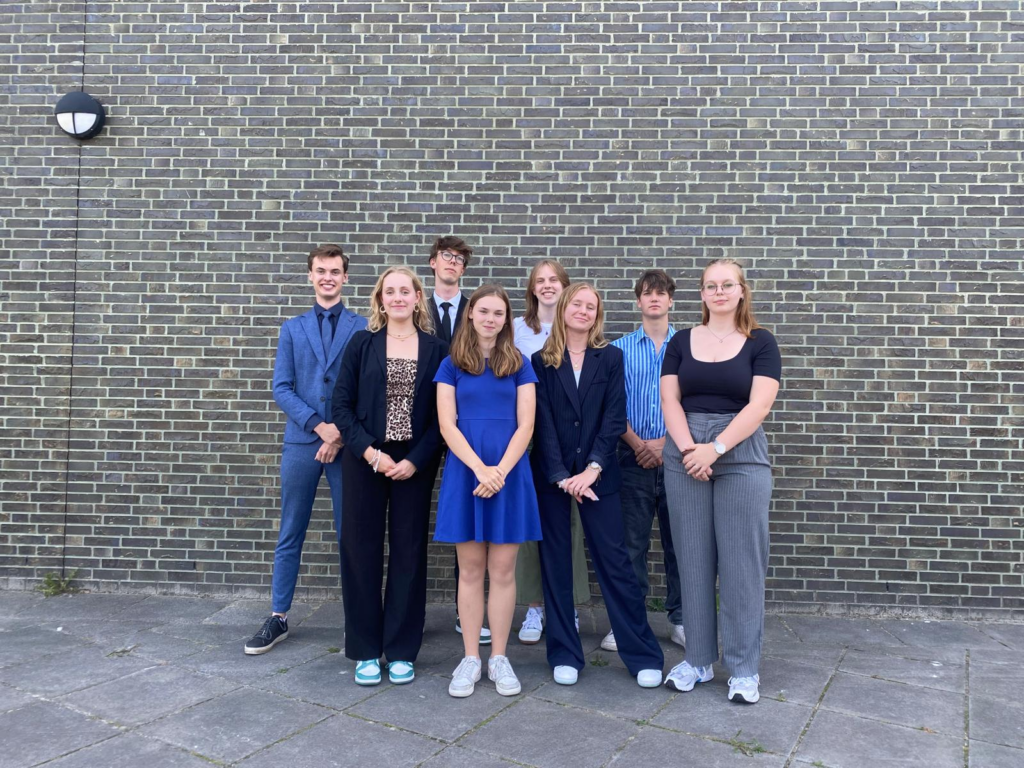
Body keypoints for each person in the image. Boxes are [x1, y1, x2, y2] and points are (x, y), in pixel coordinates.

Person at [531, 283, 665, 688]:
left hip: (599, 476)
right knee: (555, 564)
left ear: (597, 315)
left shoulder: (610, 358)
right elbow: (542, 423)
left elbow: (614, 418)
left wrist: (592, 468)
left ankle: (641, 653)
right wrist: (560, 476)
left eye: (591, 306)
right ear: (563, 308)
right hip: (553, 478)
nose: (583, 311)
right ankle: (564, 653)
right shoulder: (540, 361)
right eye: (577, 304)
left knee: (616, 562)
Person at [660, 258, 781, 705]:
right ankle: (697, 660)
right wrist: (690, 449)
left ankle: (744, 669)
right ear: (702, 293)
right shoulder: (680, 341)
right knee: (692, 561)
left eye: (727, 284)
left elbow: (759, 405)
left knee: (741, 565)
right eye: (710, 285)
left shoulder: (761, 342)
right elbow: (669, 399)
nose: (719, 292)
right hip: (685, 451)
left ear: (741, 290)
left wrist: (716, 448)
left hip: (740, 452)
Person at [245, 245, 367, 655]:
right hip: (301, 443)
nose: (328, 277)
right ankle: (278, 616)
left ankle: (357, 620)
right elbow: (282, 387)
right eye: (321, 270)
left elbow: (366, 389)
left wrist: (339, 435)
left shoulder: (363, 327)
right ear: (310, 276)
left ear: (345, 277)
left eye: (335, 271)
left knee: (351, 534)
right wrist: (319, 426)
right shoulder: (292, 329)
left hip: (347, 447)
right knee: (290, 530)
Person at [331, 267, 447, 686]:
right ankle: (365, 649)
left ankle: (400, 650)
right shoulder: (361, 343)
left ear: (417, 298)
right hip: (365, 458)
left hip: (414, 463)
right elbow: (340, 406)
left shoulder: (437, 349)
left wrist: (415, 460)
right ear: (380, 299)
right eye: (390, 291)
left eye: (405, 291)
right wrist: (370, 453)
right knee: (360, 550)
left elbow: (442, 417)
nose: (398, 297)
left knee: (408, 552)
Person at [434, 285, 541, 697]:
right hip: (467, 472)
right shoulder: (451, 364)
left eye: (498, 313)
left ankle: (498, 657)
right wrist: (480, 469)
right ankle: (470, 659)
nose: (490, 319)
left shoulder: (519, 363)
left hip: (509, 473)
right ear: (470, 314)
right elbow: (447, 424)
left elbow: (526, 424)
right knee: (470, 570)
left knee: (503, 571)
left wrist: (500, 472)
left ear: (506, 320)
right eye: (484, 311)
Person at [604, 269, 686, 653]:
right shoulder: (617, 350)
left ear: (671, 301)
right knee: (630, 546)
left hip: (678, 457)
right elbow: (610, 405)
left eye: (661, 293)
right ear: (638, 301)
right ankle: (629, 623)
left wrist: (665, 444)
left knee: (680, 544)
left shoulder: (688, 348)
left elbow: (694, 403)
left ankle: (682, 619)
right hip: (630, 456)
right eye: (647, 293)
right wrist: (639, 444)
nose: (654, 298)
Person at [512, 259, 590, 644]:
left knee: (571, 525)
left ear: (565, 286)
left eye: (554, 280)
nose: (547, 286)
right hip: (525, 435)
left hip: (568, 438)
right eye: (540, 280)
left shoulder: (577, 329)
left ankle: (567, 604)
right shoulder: (516, 330)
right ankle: (535, 607)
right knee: (532, 522)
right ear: (532, 288)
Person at [424, 235, 491, 645]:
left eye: (459, 259)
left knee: (468, 518)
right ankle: (411, 612)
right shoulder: (416, 306)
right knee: (416, 518)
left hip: (466, 430)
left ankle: (464, 611)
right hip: (423, 426)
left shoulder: (476, 310)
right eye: (446, 256)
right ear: (433, 262)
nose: (452, 263)